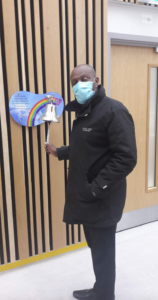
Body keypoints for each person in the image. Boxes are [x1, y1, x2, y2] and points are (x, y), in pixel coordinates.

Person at [44, 64, 137, 300]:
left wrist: (96, 189)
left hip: (102, 198)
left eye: (83, 78)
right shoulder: (85, 111)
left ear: (96, 81)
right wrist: (60, 152)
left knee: (103, 251)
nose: (78, 84)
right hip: (87, 197)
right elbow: (87, 147)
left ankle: (105, 294)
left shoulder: (113, 110)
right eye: (74, 81)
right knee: (96, 248)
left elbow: (126, 158)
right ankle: (100, 289)